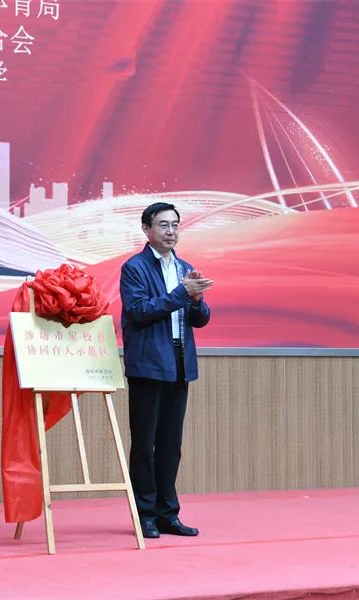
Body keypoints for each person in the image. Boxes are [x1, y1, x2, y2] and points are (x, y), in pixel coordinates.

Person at [119, 202, 213, 539]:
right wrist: (181, 294)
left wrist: (197, 301)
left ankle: (167, 514)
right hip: (148, 364)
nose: (171, 231)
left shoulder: (185, 268)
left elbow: (200, 320)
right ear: (146, 229)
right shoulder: (134, 267)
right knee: (145, 444)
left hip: (179, 361)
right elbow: (139, 311)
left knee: (171, 444)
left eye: (175, 225)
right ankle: (144, 514)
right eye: (163, 225)